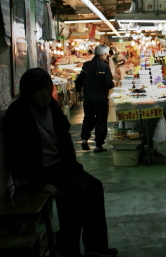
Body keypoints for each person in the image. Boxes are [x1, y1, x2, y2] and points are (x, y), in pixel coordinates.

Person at [3, 67, 118, 257]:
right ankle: (67, 247)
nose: (44, 94)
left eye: (47, 88)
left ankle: (95, 245)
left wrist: (73, 165)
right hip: (40, 173)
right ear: (28, 91)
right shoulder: (18, 114)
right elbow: (17, 155)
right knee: (76, 191)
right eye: (38, 89)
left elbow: (64, 140)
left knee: (95, 187)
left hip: (61, 166)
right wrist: (38, 183)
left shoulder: (52, 108)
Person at [75, 44, 113, 153]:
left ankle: (84, 139)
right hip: (101, 98)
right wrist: (113, 83)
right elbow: (108, 84)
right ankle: (98, 145)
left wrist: (79, 91)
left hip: (88, 97)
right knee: (101, 120)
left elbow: (79, 80)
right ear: (103, 54)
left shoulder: (86, 65)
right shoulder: (105, 66)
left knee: (88, 117)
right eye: (106, 54)